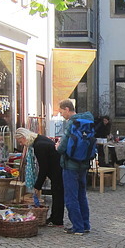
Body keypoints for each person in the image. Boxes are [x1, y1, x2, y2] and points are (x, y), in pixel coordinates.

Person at [56, 99, 94, 234]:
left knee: (71, 197)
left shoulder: (71, 123)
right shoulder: (87, 122)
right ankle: (85, 224)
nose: (62, 115)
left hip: (70, 165)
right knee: (82, 195)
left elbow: (62, 148)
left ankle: (77, 227)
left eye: (61, 112)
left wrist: (57, 146)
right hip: (83, 164)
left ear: (67, 109)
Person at [15, 128, 64, 227]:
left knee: (58, 195)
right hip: (57, 170)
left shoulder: (39, 146)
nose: (21, 144)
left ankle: (57, 220)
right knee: (57, 195)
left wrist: (37, 186)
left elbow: (43, 168)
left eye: (20, 141)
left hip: (57, 171)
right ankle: (55, 218)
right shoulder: (39, 139)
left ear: (24, 137)